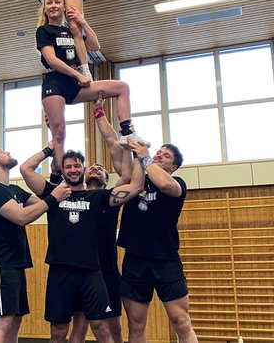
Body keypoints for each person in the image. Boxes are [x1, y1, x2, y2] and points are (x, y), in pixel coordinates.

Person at [20, 147, 142, 343]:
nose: (73, 170)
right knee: (58, 329)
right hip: (60, 271)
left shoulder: (99, 197)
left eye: (77, 165)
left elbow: (135, 186)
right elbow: (26, 169)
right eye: (68, 167)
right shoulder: (54, 193)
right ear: (63, 170)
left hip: (91, 272)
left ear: (84, 169)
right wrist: (50, 149)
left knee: (101, 327)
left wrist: (139, 155)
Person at [35, 0, 147, 172]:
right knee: (59, 132)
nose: (54, 5)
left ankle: (127, 132)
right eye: (49, 3)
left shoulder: (72, 30)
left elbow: (95, 46)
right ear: (45, 9)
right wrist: (78, 75)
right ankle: (59, 175)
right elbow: (52, 60)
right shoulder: (44, 31)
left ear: (64, 7)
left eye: (57, 2)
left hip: (76, 83)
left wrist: (83, 23)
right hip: (55, 83)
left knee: (122, 87)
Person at [0, 146, 72, 343]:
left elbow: (44, 204)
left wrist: (55, 176)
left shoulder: (14, 190)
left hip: (15, 264)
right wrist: (48, 150)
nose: (8, 152)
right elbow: (21, 217)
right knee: (2, 321)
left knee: (15, 319)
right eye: (2, 151)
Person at [69, 97, 136, 343]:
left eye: (100, 169)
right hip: (78, 268)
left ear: (108, 181)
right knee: (79, 327)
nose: (95, 169)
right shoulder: (73, 195)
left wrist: (99, 114)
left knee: (113, 328)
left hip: (106, 269)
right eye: (91, 167)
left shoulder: (110, 197)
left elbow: (113, 145)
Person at [117, 142, 198, 343]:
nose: (160, 156)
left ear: (174, 167)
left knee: (181, 321)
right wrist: (128, 135)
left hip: (166, 262)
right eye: (158, 153)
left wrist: (146, 157)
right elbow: (114, 147)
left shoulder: (177, 183)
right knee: (135, 325)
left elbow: (165, 185)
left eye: (167, 156)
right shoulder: (137, 181)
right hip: (135, 262)